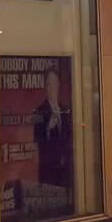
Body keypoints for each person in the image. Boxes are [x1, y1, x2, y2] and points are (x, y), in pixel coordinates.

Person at [32, 66, 73, 209]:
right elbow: (37, 138)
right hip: (48, 170)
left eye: (54, 83)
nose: (52, 87)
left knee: (66, 208)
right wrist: (48, 128)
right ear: (45, 87)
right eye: (49, 84)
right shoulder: (40, 110)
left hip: (64, 169)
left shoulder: (66, 109)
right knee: (50, 209)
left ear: (59, 85)